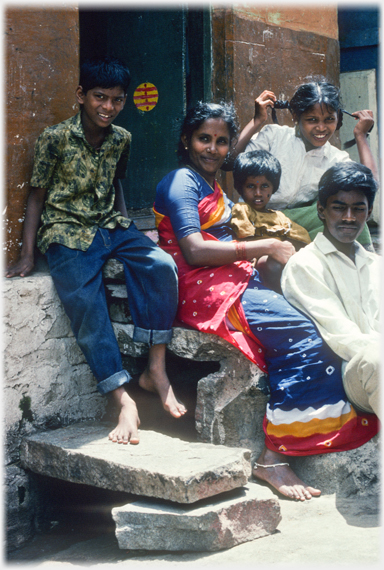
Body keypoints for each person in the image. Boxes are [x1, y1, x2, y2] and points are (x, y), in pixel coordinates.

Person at [153, 101, 378, 501]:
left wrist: (255, 123)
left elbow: (234, 161)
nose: (214, 149)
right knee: (304, 336)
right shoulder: (180, 183)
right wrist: (268, 244)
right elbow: (194, 250)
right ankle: (272, 458)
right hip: (204, 287)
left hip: (233, 277)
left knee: (314, 320)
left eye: (222, 142)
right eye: (204, 139)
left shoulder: (209, 180)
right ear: (186, 140)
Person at [6, 56, 186, 445]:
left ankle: (156, 369)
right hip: (65, 232)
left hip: (109, 225)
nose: (108, 107)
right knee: (88, 306)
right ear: (81, 96)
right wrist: (26, 255)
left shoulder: (122, 138)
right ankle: (122, 398)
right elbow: (36, 197)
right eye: (99, 98)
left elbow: (116, 184)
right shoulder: (55, 138)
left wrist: (128, 234)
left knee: (161, 265)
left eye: (117, 100)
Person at [226, 77, 378, 248]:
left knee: (352, 218)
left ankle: (365, 269)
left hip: (299, 224)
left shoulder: (335, 158)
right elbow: (230, 162)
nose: (321, 128)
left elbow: (369, 185)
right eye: (312, 120)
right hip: (257, 216)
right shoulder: (273, 136)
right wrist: (257, 121)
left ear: (338, 119)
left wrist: (361, 136)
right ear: (296, 116)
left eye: (329, 119)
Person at [282, 161, 380, 419]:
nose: (349, 217)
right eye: (339, 208)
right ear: (322, 210)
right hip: (354, 372)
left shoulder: (377, 264)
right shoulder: (305, 265)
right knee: (377, 358)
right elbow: (343, 337)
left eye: (358, 209)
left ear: (368, 213)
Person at [231, 149, 310, 292]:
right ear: (239, 188)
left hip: (284, 258)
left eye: (264, 186)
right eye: (250, 186)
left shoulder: (278, 216)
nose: (258, 193)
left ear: (273, 187)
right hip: (256, 261)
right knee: (273, 264)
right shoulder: (242, 209)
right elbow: (245, 236)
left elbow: (301, 236)